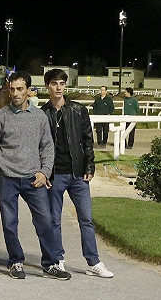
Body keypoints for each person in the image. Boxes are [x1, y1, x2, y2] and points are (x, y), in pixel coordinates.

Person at [0, 71, 70, 280]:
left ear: (29, 91)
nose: (15, 93)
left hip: (34, 179)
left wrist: (44, 172)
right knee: (9, 223)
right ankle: (15, 261)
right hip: (7, 179)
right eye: (12, 89)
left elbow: (47, 147)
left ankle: (50, 264)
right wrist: (0, 167)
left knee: (45, 222)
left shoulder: (39, 117)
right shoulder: (0, 117)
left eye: (20, 89)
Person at [42, 69, 114, 279]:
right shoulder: (42, 113)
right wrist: (44, 172)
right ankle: (57, 259)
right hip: (54, 175)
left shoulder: (78, 110)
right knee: (54, 221)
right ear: (47, 86)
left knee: (86, 219)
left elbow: (87, 140)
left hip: (78, 175)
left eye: (62, 83)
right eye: (54, 83)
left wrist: (89, 166)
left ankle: (93, 262)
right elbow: (39, 146)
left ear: (65, 86)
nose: (58, 87)